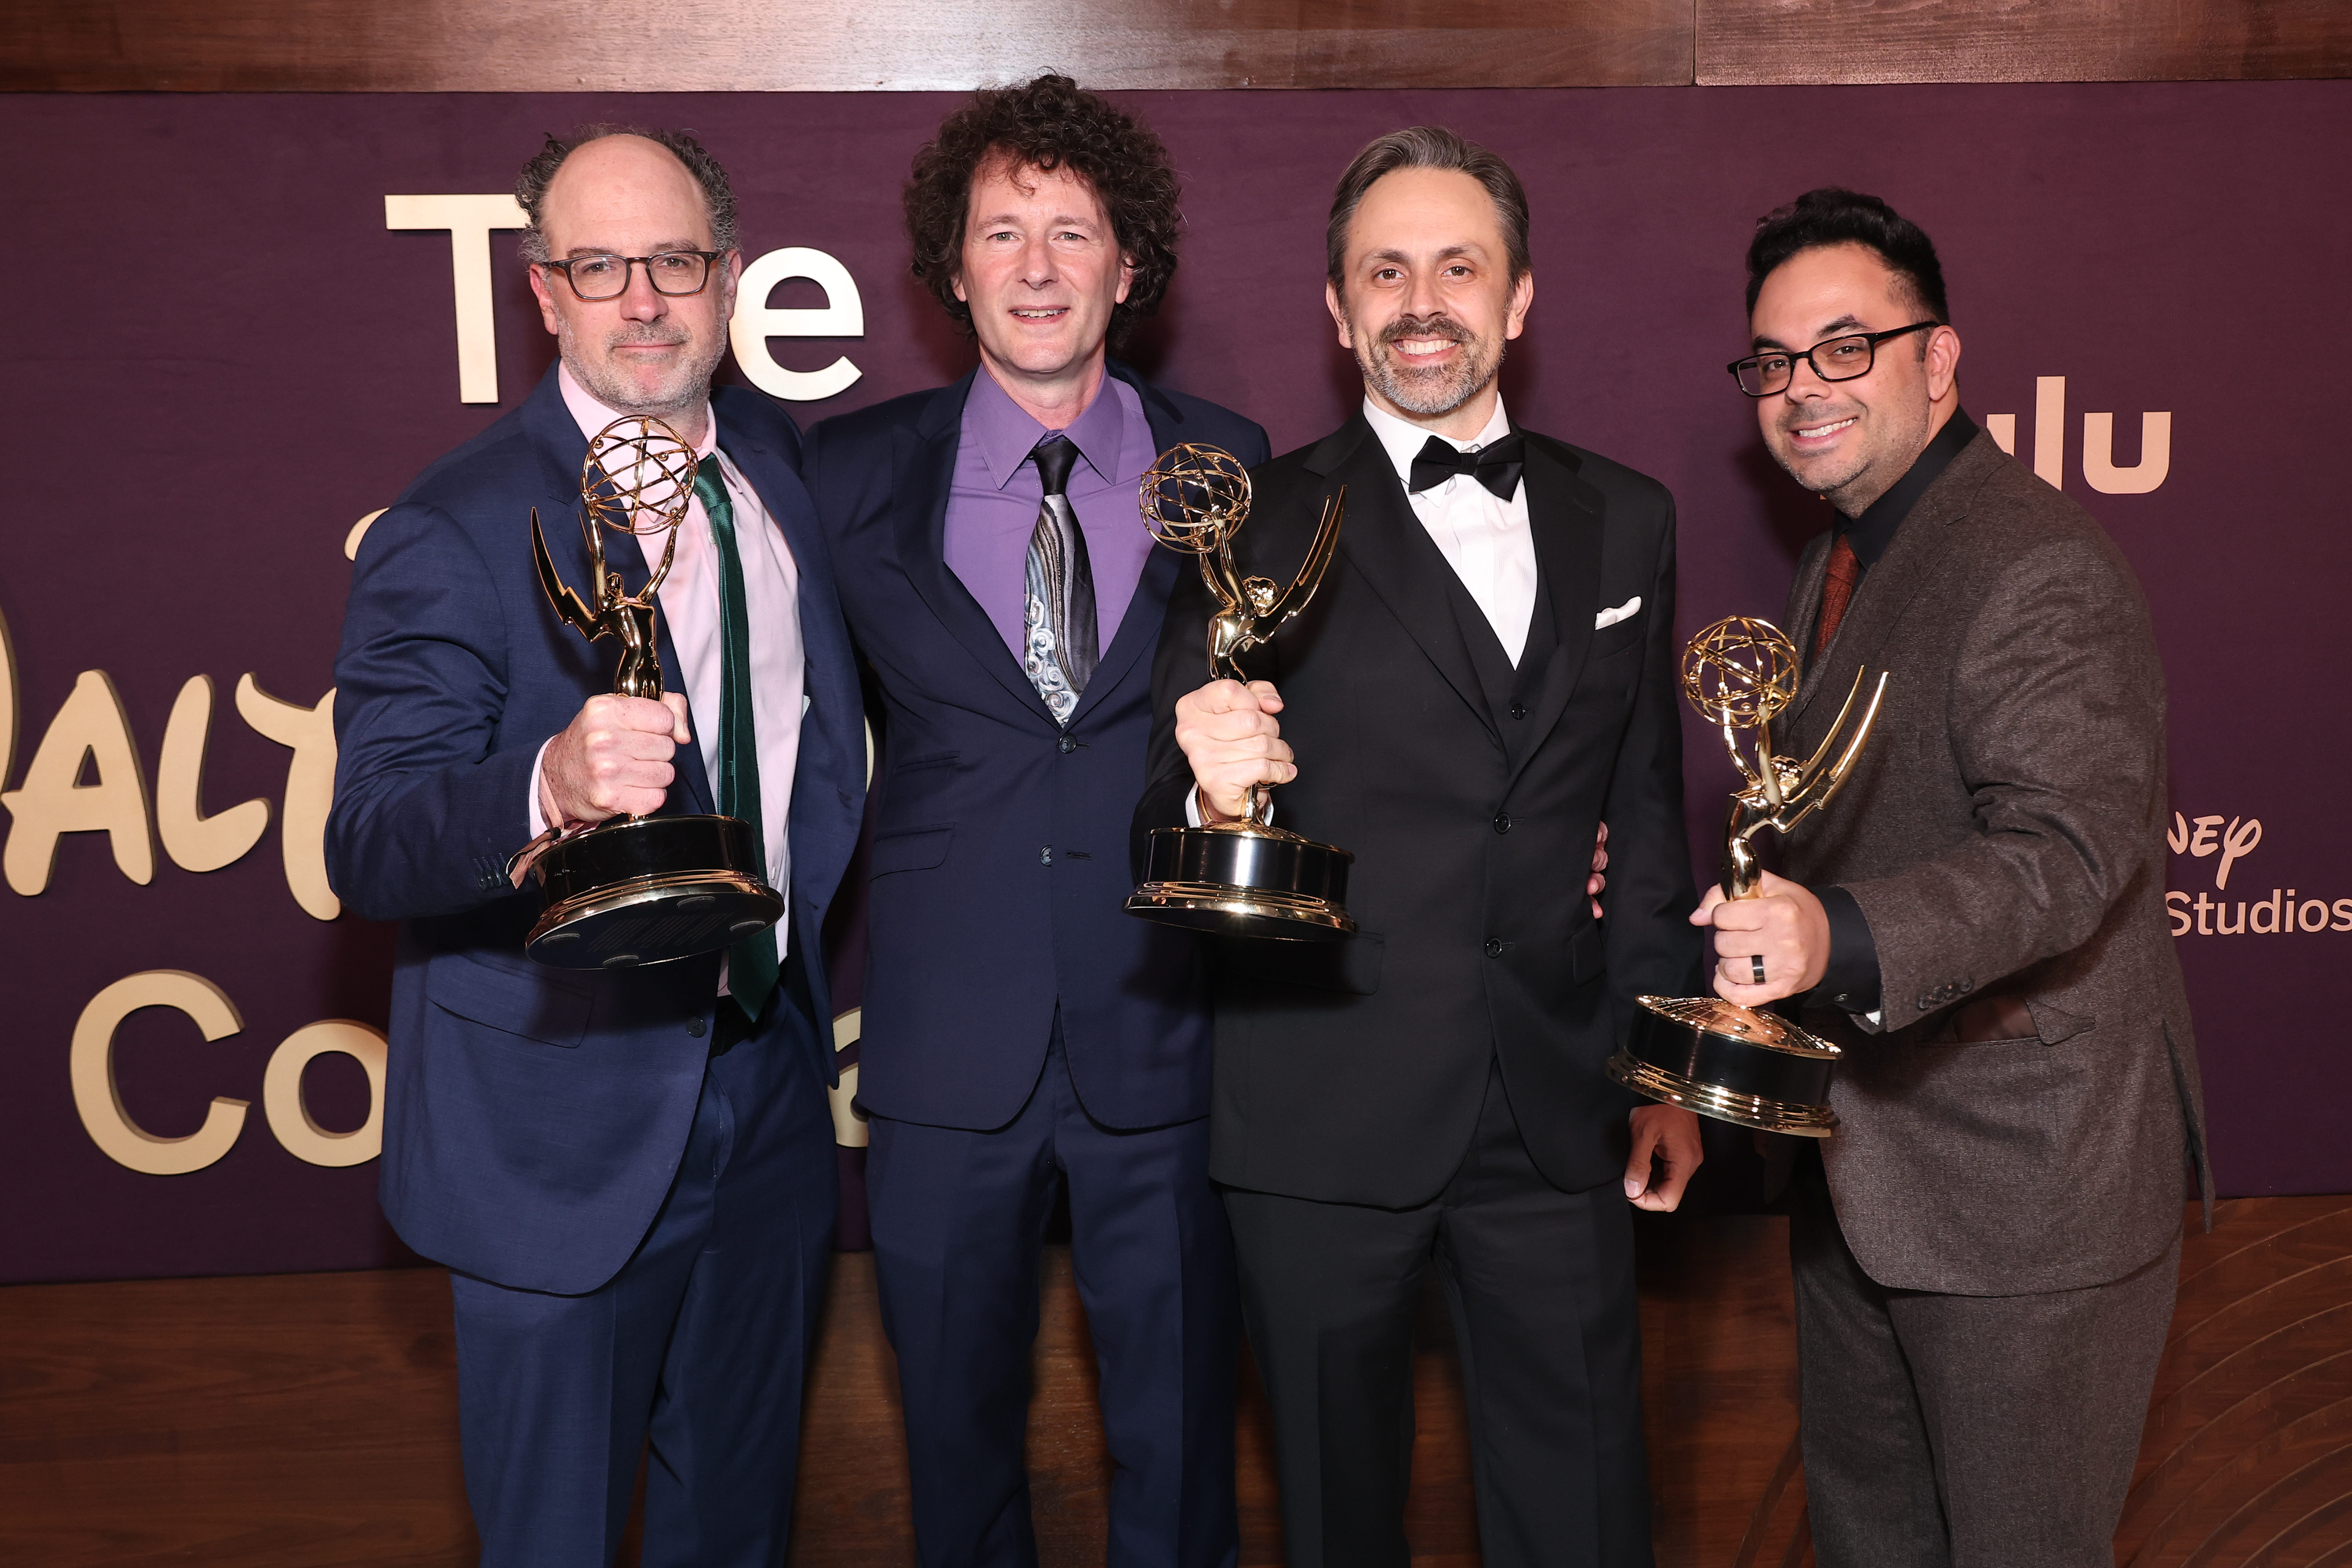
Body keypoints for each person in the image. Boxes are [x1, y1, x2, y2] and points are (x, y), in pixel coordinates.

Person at [1139, 126, 1704, 1568]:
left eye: (1459, 265)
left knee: (1584, 1518)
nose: (1421, 300)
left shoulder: (1629, 517)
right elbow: (1159, 812)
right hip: (1323, 1108)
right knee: (1336, 1522)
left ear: (1520, 299)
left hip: (1558, 1106)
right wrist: (1212, 800)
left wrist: (1662, 1074)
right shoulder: (1250, 524)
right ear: (1336, 311)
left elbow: (1642, 816)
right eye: (1384, 271)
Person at [325, 127, 863, 1566]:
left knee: (736, 1533)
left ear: (729, 276)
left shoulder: (773, 474)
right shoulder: (451, 523)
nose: (643, 300)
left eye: (674, 260)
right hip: (556, 1145)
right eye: (597, 266)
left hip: (765, 1102)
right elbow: (367, 841)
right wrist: (543, 783)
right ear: (542, 291)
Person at [1700, 187, 2212, 1568]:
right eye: (1774, 360)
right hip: (1860, 1164)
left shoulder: (2036, 561)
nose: (1803, 389)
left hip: (2022, 1198)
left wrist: (1834, 933)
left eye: (1847, 346)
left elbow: (2067, 851)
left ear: (1941, 357)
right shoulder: (1835, 559)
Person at [798, 76, 1267, 1567]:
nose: (1041, 267)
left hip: (1170, 1032)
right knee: (953, 1449)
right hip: (946, 1049)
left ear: (1132, 265)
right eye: (1004, 232)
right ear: (952, 265)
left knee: (1184, 1450)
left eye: (1075, 231)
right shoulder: (846, 475)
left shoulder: (1235, 465)